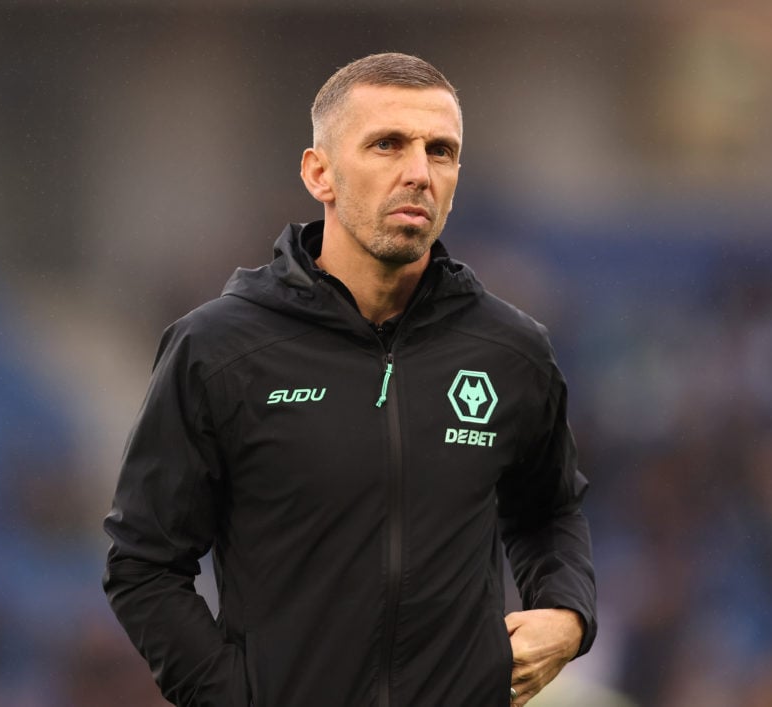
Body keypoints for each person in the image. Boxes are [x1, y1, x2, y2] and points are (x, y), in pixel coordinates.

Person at [103, 52, 596, 707]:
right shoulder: (219, 349)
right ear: (320, 172)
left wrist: (567, 612)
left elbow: (549, 510)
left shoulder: (510, 350)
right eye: (387, 144)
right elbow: (143, 564)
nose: (418, 172)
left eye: (440, 151)